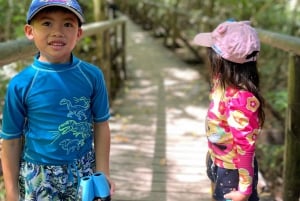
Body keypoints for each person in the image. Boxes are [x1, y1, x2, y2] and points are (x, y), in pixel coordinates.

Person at [0, 0, 115, 200]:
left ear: (79, 33)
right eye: (47, 23)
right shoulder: (21, 83)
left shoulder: (92, 76)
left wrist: (103, 171)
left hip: (83, 170)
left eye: (68, 24)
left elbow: (101, 124)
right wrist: (11, 192)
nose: (57, 31)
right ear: (29, 31)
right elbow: (10, 140)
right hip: (38, 175)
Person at [193, 20, 265, 201]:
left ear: (220, 61)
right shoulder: (222, 83)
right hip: (218, 161)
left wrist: (244, 190)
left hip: (233, 173)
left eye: (212, 53)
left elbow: (245, 148)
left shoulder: (241, 99)